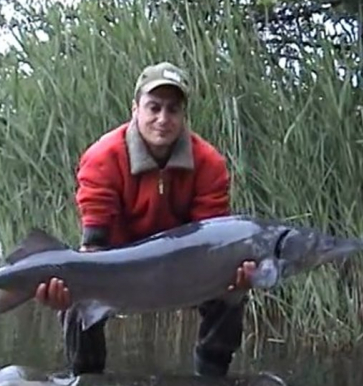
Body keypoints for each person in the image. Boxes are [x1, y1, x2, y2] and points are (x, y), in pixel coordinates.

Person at [34, 61, 257, 377]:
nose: (163, 119)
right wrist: (69, 290)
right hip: (117, 265)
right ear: (135, 109)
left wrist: (232, 276)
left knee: (232, 291)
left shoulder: (209, 163)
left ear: (183, 116)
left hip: (183, 266)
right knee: (75, 298)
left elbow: (212, 243)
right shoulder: (103, 157)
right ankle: (87, 376)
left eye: (173, 110)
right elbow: (94, 244)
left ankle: (211, 374)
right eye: (154, 108)